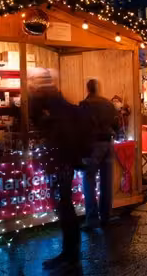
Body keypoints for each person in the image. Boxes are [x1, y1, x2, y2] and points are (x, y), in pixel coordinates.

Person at [30, 75, 92, 271]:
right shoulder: (64, 108)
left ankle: (70, 255)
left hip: (60, 164)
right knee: (65, 208)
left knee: (65, 209)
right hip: (65, 164)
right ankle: (70, 253)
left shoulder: (55, 111)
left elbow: (57, 135)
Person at [79, 79, 119, 230]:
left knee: (89, 181)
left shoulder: (85, 104)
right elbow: (116, 124)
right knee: (106, 181)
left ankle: (92, 218)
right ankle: (106, 216)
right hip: (108, 143)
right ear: (98, 88)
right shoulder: (108, 103)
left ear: (88, 88)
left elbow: (81, 127)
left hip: (92, 145)